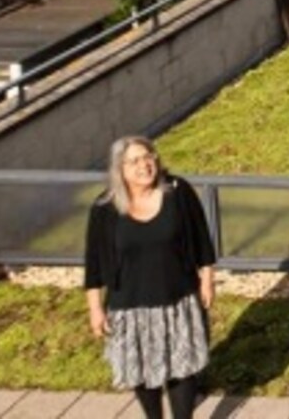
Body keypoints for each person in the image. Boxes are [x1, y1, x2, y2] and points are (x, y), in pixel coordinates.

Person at [83, 136, 216, 418]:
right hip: (129, 306)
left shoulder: (178, 192)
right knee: (142, 371)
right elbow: (93, 263)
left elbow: (202, 238)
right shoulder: (104, 208)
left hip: (178, 299)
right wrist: (95, 308)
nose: (144, 165)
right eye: (134, 161)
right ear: (119, 169)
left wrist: (207, 278)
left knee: (184, 368)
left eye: (148, 157)